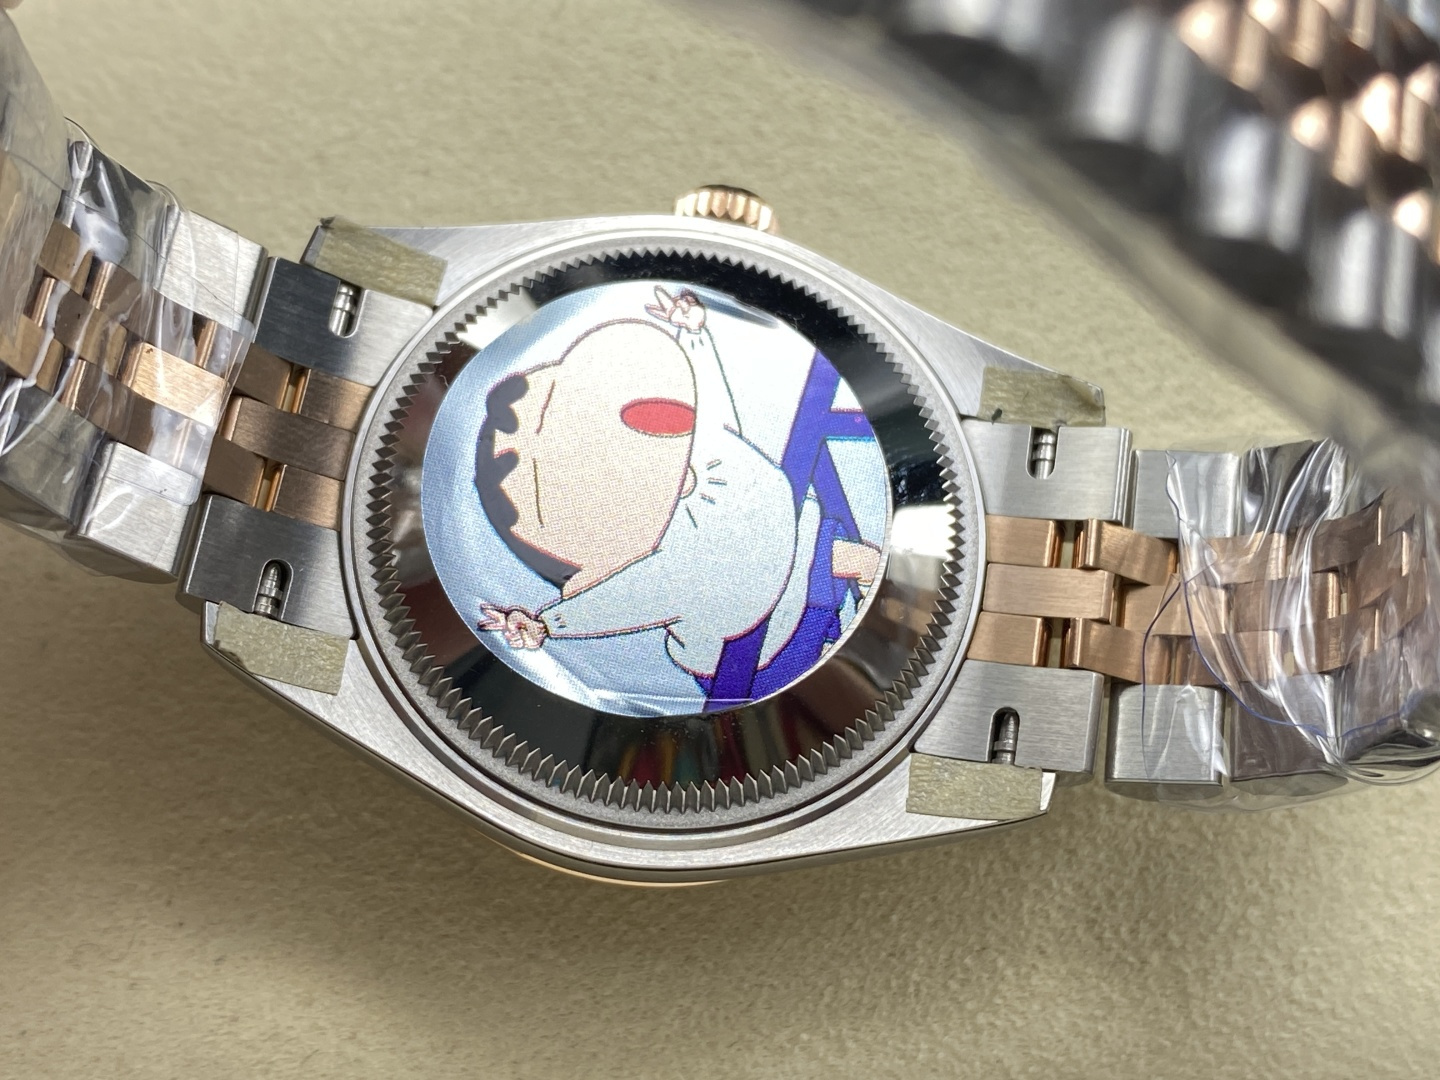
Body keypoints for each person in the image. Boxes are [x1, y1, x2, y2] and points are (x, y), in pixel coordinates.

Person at [474, 285, 880, 702]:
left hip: (806, 550)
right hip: (763, 645)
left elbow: (711, 406)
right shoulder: (658, 570)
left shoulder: (700, 442)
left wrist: (696, 335)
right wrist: (547, 625)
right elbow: (616, 602)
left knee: (861, 575)